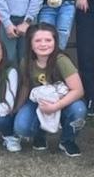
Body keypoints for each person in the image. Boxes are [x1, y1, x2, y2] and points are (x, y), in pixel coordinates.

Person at [13, 24, 88, 156]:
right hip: (39, 103)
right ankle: (40, 134)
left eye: (48, 40)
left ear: (55, 42)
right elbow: (25, 88)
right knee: (22, 127)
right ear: (30, 43)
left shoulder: (62, 60)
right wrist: (16, 109)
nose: (43, 44)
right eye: (37, 40)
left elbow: (78, 90)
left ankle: (67, 141)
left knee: (78, 109)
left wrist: (55, 106)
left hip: (64, 101)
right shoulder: (26, 62)